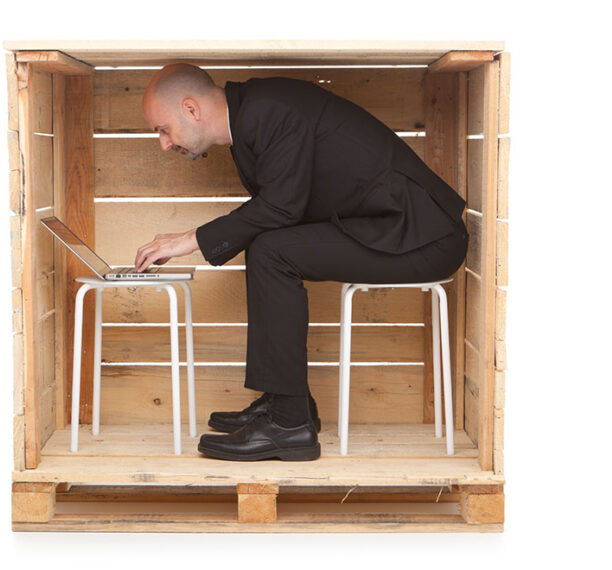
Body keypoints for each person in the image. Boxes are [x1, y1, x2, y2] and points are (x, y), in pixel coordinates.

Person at [134, 64, 468, 462]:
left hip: (422, 237)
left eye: (162, 129)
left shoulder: (270, 109)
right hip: (387, 229)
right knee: (268, 245)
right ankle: (285, 404)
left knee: (271, 251)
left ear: (191, 109)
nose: (163, 144)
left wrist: (190, 240)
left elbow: (280, 207)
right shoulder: (253, 115)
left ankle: (289, 423)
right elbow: (279, 207)